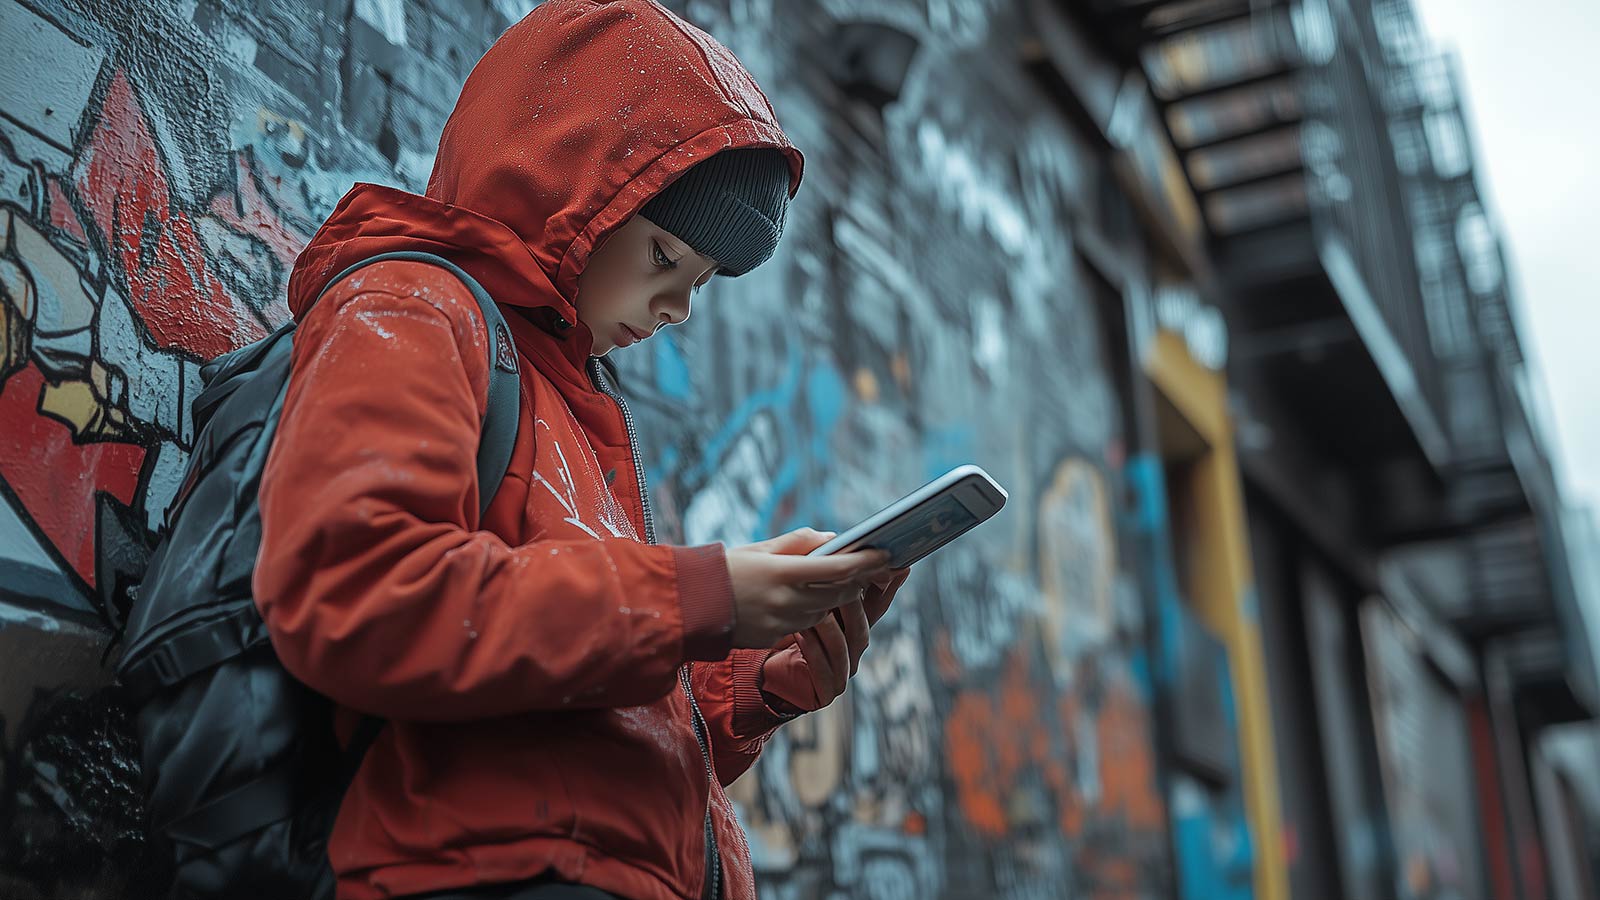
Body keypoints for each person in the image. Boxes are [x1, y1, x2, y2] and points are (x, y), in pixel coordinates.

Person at [251, 2, 911, 899]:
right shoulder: (414, 307)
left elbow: (584, 715)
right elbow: (359, 596)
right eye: (663, 256)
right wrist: (702, 597)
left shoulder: (577, 400)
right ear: (565, 190)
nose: (678, 309)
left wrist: (760, 683)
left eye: (700, 283)